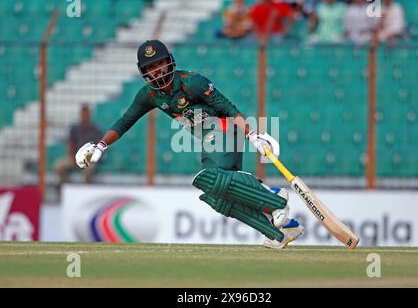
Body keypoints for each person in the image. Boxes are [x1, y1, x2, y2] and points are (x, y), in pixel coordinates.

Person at [75, 40, 304, 249]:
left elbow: (228, 107)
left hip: (225, 129)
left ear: (169, 62)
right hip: (207, 139)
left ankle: (275, 197)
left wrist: (252, 135)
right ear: (144, 72)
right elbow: (126, 121)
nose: (157, 70)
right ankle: (282, 231)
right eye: (151, 67)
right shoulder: (150, 95)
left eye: (160, 63)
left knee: (214, 177)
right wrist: (100, 146)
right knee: (217, 195)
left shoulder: (192, 82)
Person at [54, 105, 102, 187]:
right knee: (58, 166)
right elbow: (71, 144)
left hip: (88, 159)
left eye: (86, 115)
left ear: (89, 115)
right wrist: (73, 157)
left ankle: (85, 191)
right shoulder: (75, 129)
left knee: (88, 170)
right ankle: (68, 187)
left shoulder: (95, 130)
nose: (84, 117)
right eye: (83, 115)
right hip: (75, 158)